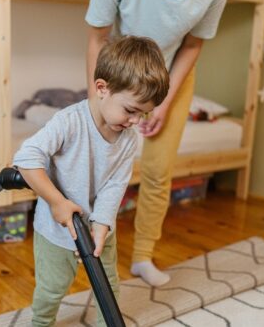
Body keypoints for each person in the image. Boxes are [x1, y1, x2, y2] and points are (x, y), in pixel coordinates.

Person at [85, 0, 233, 286]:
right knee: (96, 166)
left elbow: (193, 45)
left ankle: (143, 257)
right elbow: (97, 39)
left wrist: (164, 101)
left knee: (157, 169)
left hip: (172, 79)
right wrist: (97, 102)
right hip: (121, 77)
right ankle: (86, 252)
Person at [14, 36, 169, 326]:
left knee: (107, 286)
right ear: (102, 88)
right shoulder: (68, 122)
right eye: (131, 110)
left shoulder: (127, 139)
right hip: (56, 229)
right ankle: (40, 323)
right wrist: (58, 203)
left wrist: (102, 224)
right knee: (52, 288)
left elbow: (114, 185)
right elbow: (26, 159)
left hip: (99, 227)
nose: (136, 121)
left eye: (143, 113)